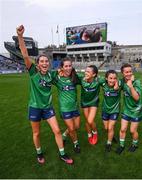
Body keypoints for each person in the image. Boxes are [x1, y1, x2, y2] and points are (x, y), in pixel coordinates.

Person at [16, 25, 73, 165]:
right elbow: (24, 54)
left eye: (46, 61)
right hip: (35, 107)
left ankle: (62, 154)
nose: (44, 63)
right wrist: (20, 36)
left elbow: (64, 71)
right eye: (42, 61)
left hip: (48, 107)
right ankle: (39, 153)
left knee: (57, 131)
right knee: (36, 133)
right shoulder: (33, 72)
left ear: (49, 63)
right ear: (37, 63)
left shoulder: (52, 74)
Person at [52, 57, 81, 153]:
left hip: (75, 107)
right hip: (65, 109)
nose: (68, 68)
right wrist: (57, 72)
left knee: (76, 127)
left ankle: (64, 135)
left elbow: (86, 78)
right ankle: (76, 144)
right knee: (72, 129)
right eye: (66, 66)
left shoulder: (75, 77)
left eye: (70, 66)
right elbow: (47, 76)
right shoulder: (58, 78)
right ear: (62, 67)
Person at [116, 64, 142, 154]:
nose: (129, 74)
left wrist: (131, 86)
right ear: (122, 73)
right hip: (126, 110)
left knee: (132, 131)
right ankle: (121, 145)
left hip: (136, 110)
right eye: (126, 72)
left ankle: (134, 144)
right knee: (123, 129)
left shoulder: (137, 82)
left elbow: (136, 98)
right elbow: (116, 88)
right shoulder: (122, 81)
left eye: (130, 71)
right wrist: (117, 83)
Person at [77, 65, 100, 145]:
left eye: (88, 72)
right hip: (84, 103)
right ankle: (89, 134)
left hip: (94, 103)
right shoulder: (81, 79)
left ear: (94, 74)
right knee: (88, 121)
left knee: (90, 120)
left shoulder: (98, 80)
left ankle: (95, 132)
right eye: (85, 71)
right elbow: (71, 73)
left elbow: (110, 79)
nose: (86, 73)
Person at [100, 70, 121, 152]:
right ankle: (112, 136)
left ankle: (108, 143)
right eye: (110, 78)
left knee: (110, 127)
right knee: (106, 128)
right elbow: (95, 78)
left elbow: (127, 80)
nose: (112, 80)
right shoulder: (103, 84)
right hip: (105, 110)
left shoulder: (119, 85)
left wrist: (118, 83)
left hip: (115, 110)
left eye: (114, 78)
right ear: (106, 78)